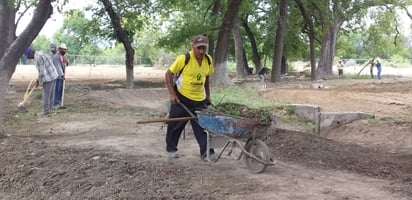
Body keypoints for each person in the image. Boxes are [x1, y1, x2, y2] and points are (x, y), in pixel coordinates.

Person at [164, 35, 216, 160]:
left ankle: (206, 152)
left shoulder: (208, 60)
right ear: (193, 46)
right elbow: (168, 74)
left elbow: (206, 78)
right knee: (176, 124)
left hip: (200, 99)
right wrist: (172, 94)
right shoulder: (184, 58)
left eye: (204, 48)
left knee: (202, 126)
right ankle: (171, 149)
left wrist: (208, 95)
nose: (201, 51)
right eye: (199, 48)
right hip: (182, 97)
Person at [24, 47, 59, 117]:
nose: (28, 58)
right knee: (51, 94)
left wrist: (38, 81)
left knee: (46, 95)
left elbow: (42, 72)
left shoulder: (37, 58)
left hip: (48, 77)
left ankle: (46, 112)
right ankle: (50, 110)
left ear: (31, 53)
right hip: (54, 74)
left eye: (28, 56)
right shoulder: (41, 52)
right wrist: (38, 80)